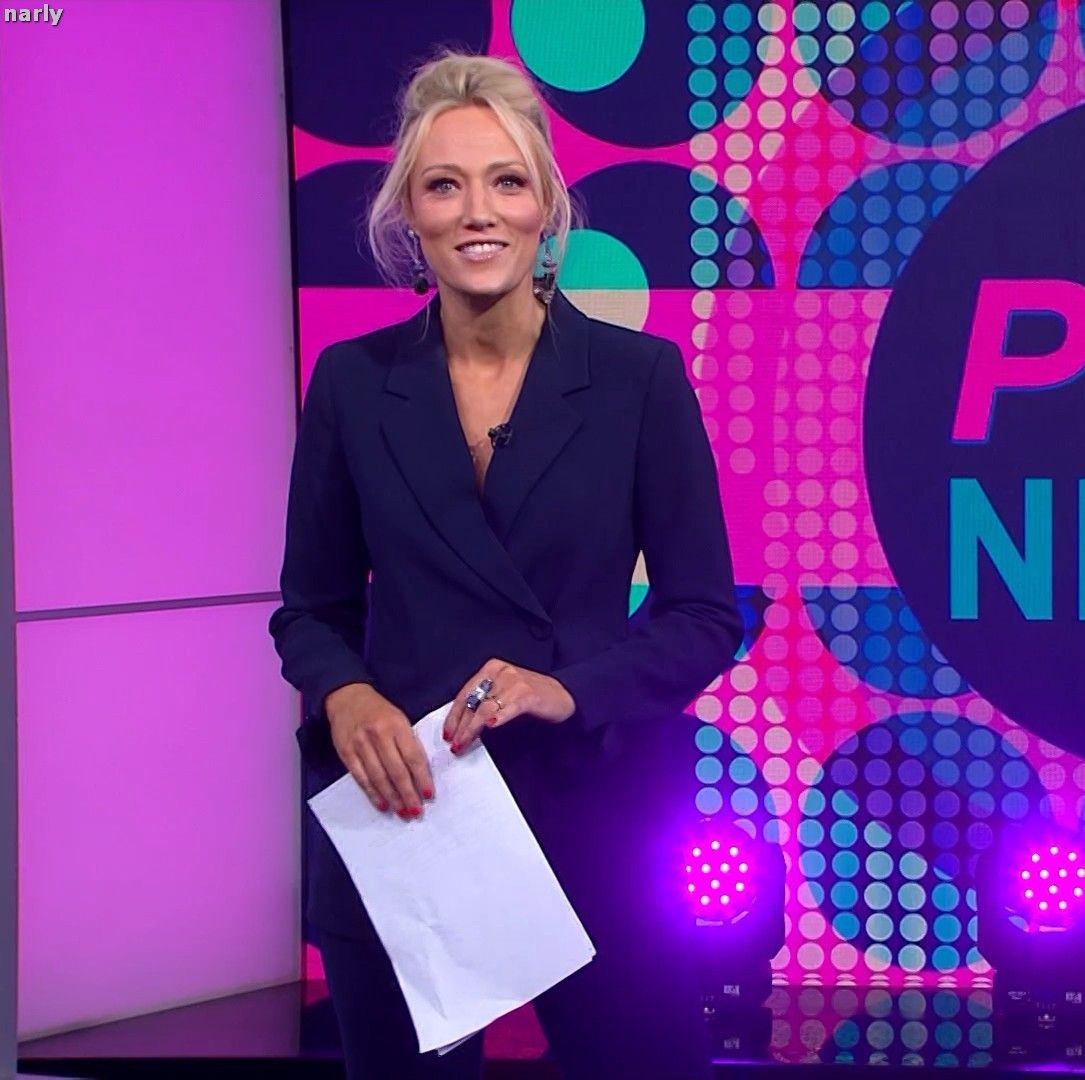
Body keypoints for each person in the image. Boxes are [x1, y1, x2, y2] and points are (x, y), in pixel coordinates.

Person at [268, 50, 742, 1079]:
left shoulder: (638, 379)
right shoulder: (352, 383)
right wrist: (348, 696)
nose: (477, 212)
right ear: (410, 214)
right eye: (445, 185)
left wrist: (566, 690)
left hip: (594, 814)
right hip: (413, 818)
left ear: (546, 206)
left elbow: (705, 615)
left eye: (506, 181)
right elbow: (308, 610)